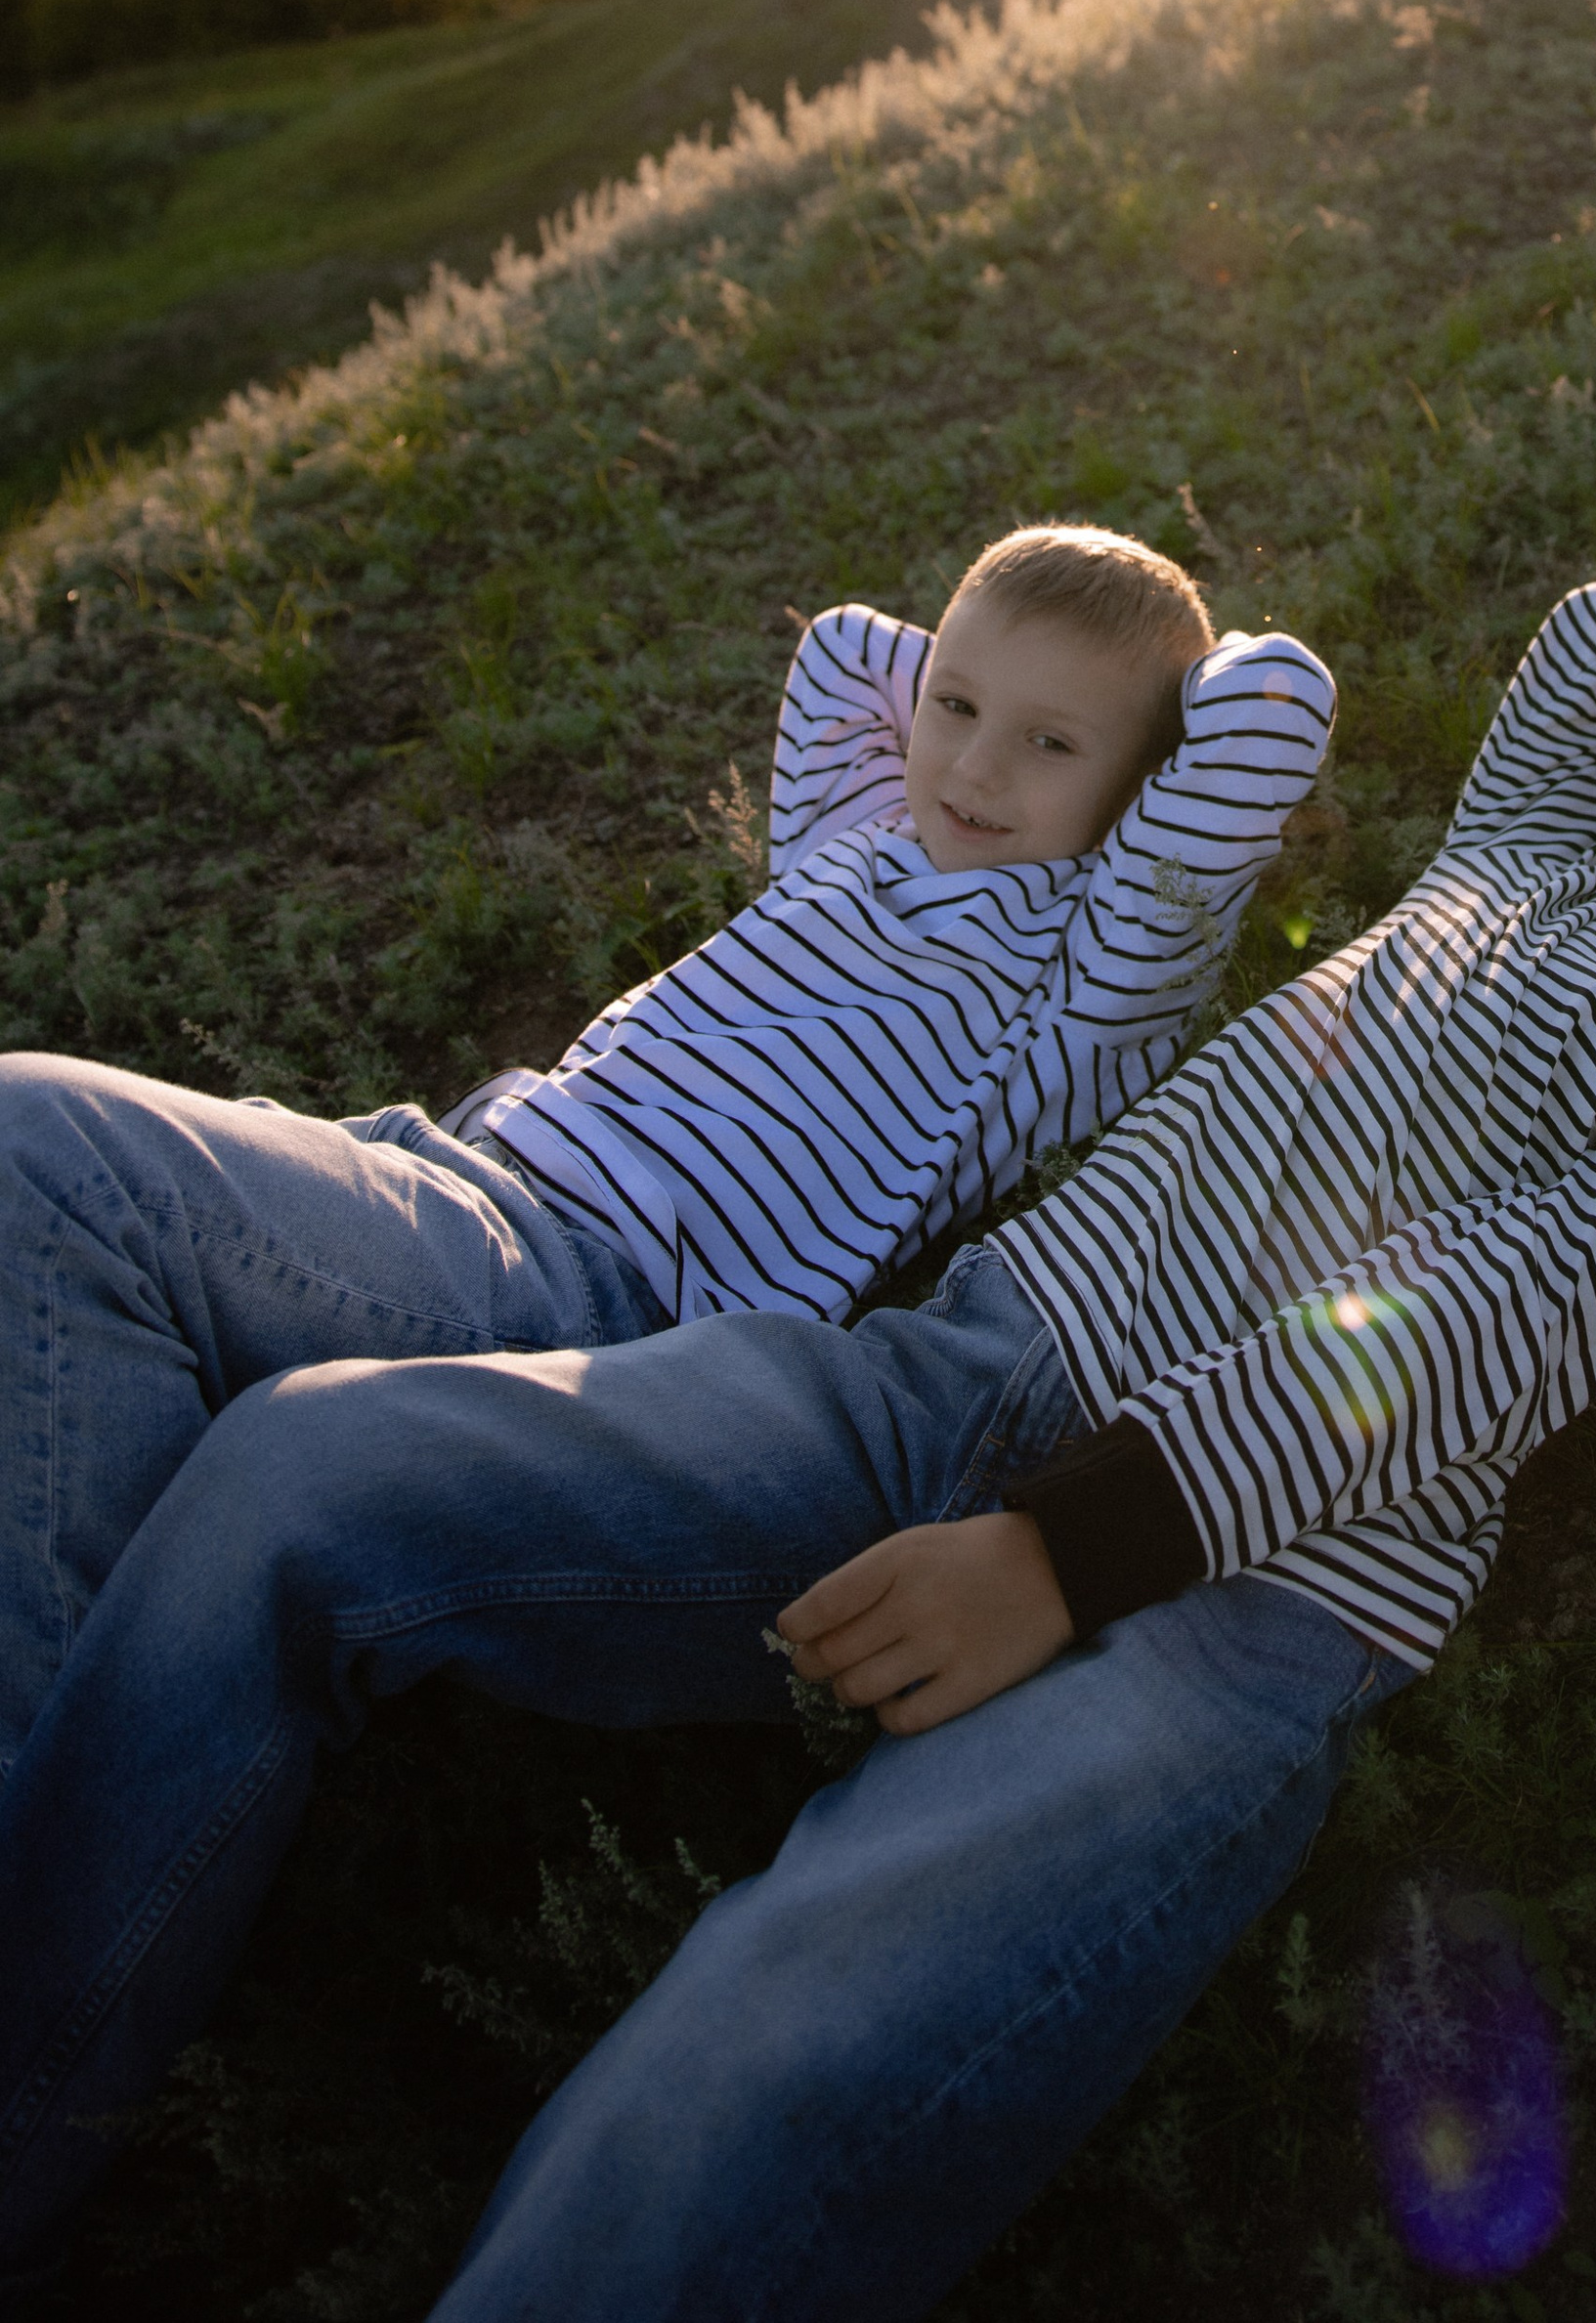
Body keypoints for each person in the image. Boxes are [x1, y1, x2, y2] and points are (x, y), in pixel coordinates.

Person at [0, 580, 1596, 2314]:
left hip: (1236, 1607)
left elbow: (1469, 1324)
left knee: (764, 2040)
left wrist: (1069, 1553)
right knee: (300, 1467)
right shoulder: (1531, 852)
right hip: (953, 1377)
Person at [0, 518, 1337, 1770]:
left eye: (1050, 744)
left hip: (589, 1273)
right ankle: (120, 1688)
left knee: (40, 1141)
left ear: (1147, 784)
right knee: (76, 1277)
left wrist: (1149, 703)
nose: (975, 771)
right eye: (954, 707)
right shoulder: (862, 836)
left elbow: (1275, 703)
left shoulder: (1093, 976)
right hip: (464, 1162)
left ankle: (54, 1790)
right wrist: (1001, 679)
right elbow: (841, 652)